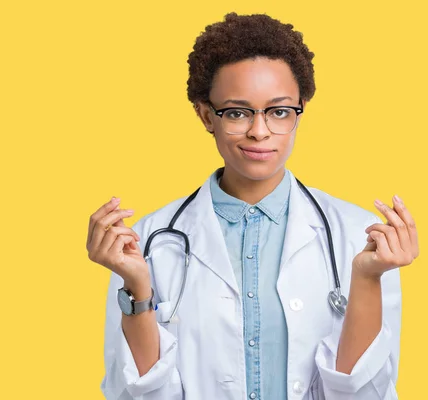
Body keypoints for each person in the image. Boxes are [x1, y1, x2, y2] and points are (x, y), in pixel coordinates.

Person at [86, 12, 419, 400]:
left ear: (301, 109)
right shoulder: (145, 242)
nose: (259, 131)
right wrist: (138, 290)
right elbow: (134, 394)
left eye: (279, 111)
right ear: (206, 115)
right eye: (238, 112)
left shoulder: (362, 239)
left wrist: (365, 279)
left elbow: (365, 395)